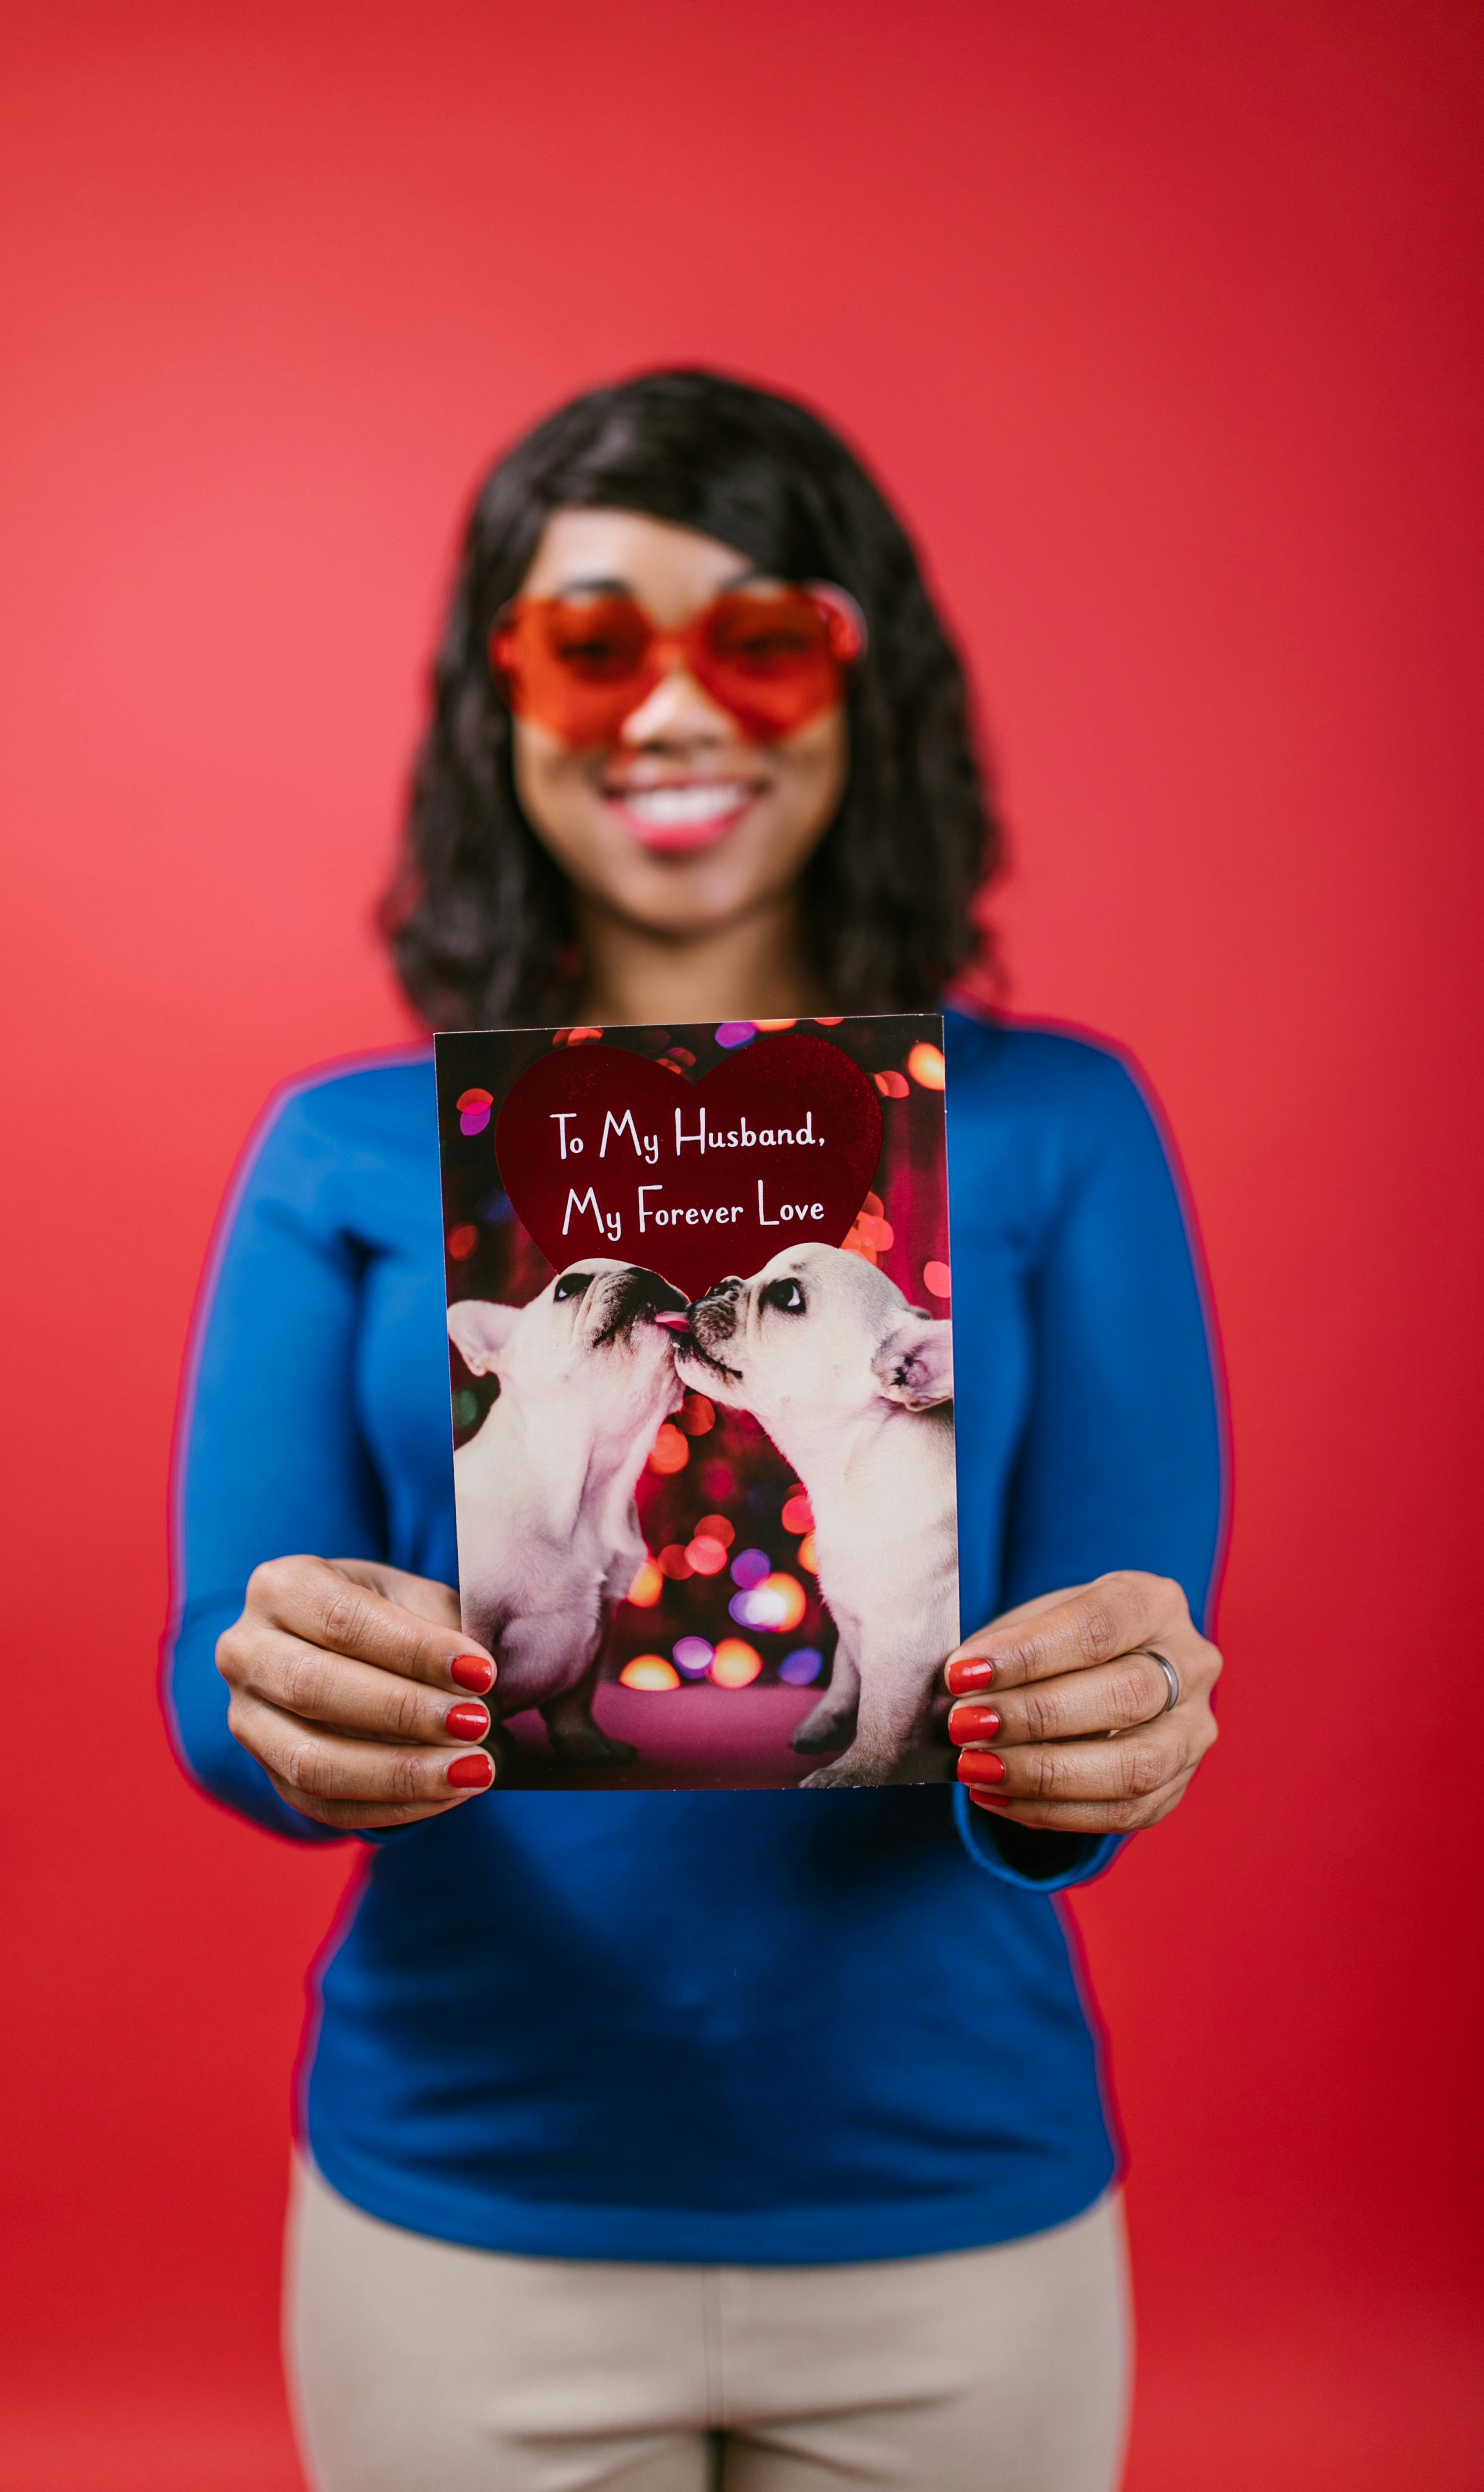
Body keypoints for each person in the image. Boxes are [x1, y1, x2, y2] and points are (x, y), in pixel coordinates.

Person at [163, 369, 1223, 2492]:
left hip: (954, 2210)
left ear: (863, 678)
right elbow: (221, 1691)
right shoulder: (348, 1160)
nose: (674, 709)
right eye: (590, 644)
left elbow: (1116, 1688)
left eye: (757, 635)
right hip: (464, 2209)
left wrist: (1110, 1712)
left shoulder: (1061, 1131)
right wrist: (289, 1689)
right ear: (502, 700)